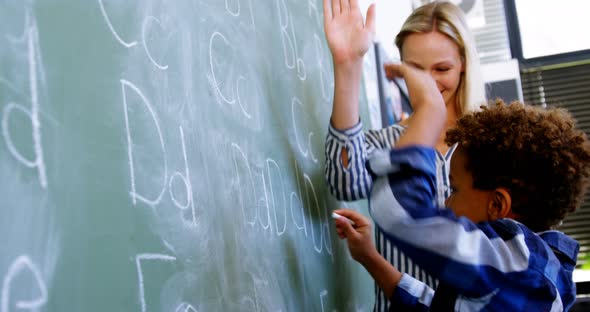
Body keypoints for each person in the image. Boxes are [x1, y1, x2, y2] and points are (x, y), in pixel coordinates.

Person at [333, 62, 590, 310]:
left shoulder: (516, 265)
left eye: (455, 189)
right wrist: (370, 257)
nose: (446, 201)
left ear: (497, 204)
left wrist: (429, 111)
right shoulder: (530, 273)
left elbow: (401, 213)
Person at [323, 0, 485, 310]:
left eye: (442, 69)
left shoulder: (489, 148)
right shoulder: (390, 142)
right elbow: (344, 181)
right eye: (416, 69)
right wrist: (347, 66)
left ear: (464, 63)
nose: (428, 83)